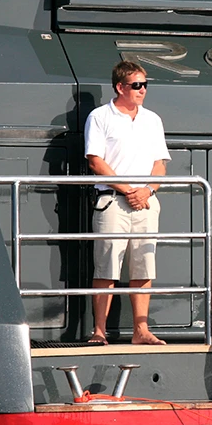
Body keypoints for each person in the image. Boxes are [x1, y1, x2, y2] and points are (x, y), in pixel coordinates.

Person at [84, 60, 170, 346]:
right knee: (107, 267)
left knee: (144, 267)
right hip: (112, 202)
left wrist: (146, 191)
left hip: (145, 202)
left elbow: (160, 164)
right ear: (120, 87)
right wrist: (128, 189)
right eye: (137, 85)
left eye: (145, 84)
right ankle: (99, 330)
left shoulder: (152, 119)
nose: (142, 90)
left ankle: (141, 331)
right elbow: (95, 160)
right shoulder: (99, 117)